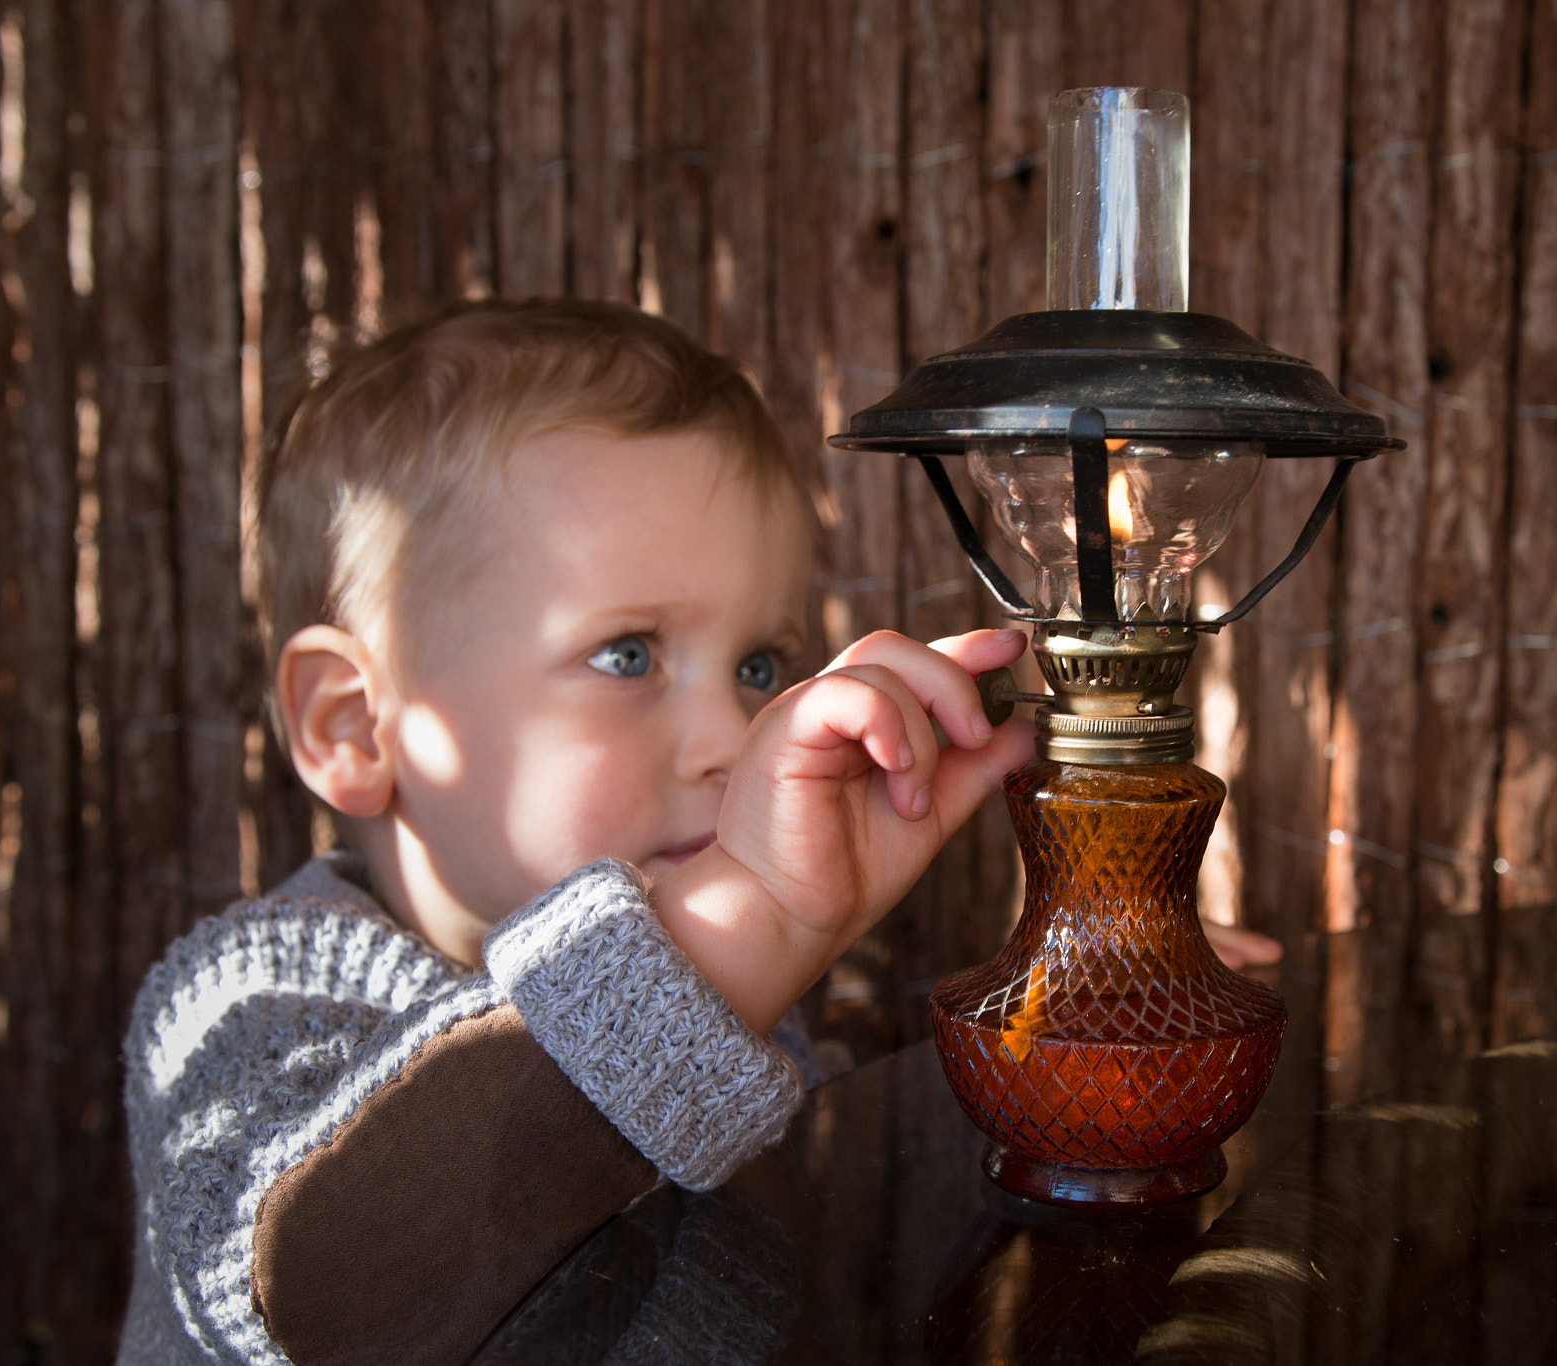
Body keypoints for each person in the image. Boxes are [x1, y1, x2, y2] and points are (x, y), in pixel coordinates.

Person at [118, 298, 1274, 1366]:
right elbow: (327, 1298)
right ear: (355, 724)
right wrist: (751, 921)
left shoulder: (750, 1006)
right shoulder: (245, 1010)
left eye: (760, 665)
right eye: (626, 655)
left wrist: (1085, 992)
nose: (730, 735)